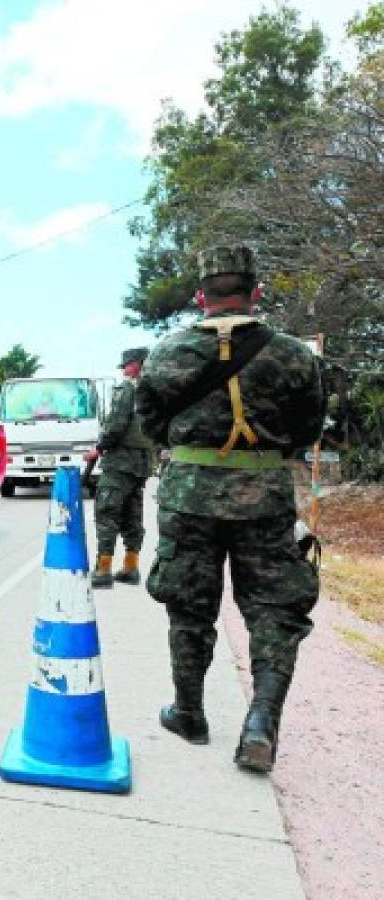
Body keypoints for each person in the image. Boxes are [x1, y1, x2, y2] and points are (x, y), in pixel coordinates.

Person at [137, 245, 324, 774]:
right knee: (274, 610)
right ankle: (261, 722)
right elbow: (308, 429)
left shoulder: (167, 351)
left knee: (189, 607)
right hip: (263, 497)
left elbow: (151, 425)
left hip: (188, 498)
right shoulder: (292, 354)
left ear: (202, 297)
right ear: (255, 292)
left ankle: (190, 713)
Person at [84, 348, 153, 588]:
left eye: (126, 365)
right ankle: (131, 567)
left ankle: (103, 570)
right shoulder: (155, 389)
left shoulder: (128, 389)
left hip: (120, 462)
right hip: (143, 463)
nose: (124, 371)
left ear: (136, 365)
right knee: (132, 514)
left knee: (107, 513)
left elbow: (116, 424)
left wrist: (99, 449)